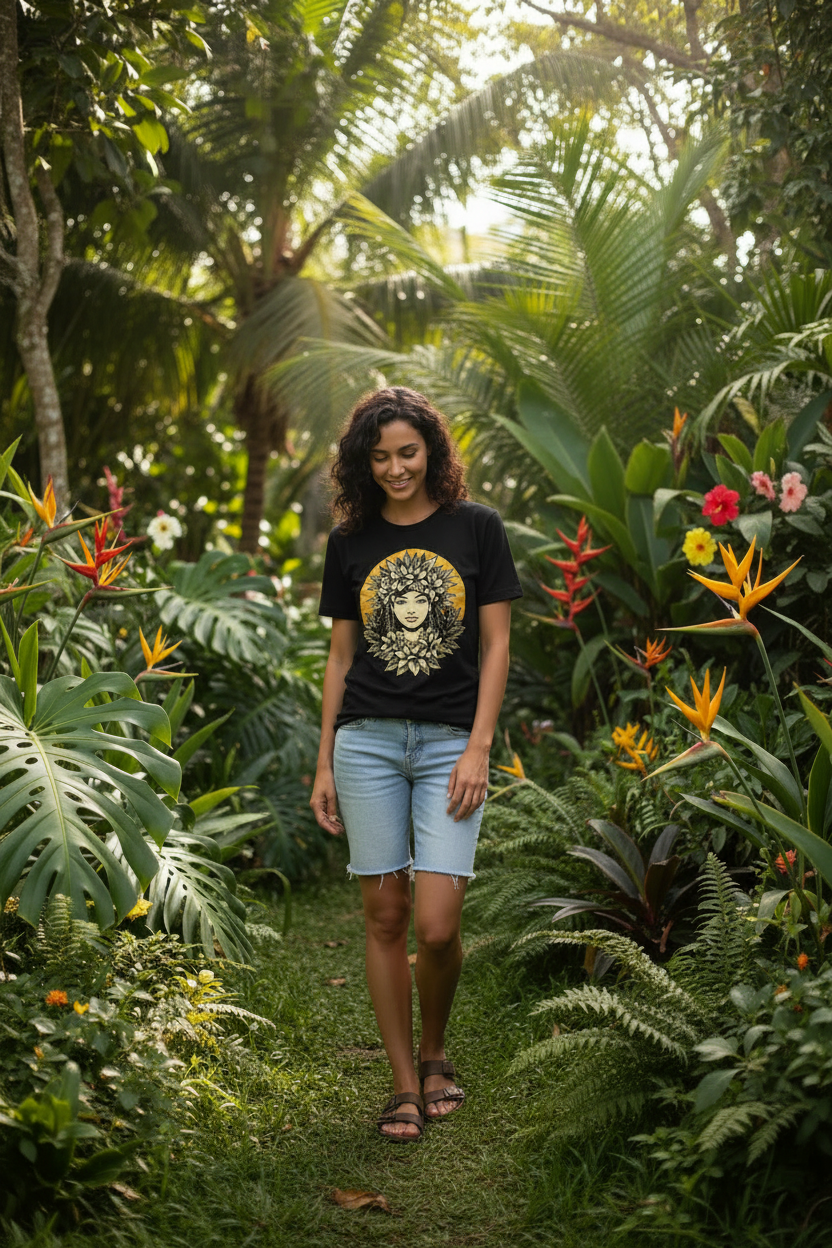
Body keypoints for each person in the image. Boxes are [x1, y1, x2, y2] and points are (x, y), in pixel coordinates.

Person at [310, 386, 522, 1141]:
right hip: (365, 739)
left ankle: (437, 1050)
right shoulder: (350, 542)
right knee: (386, 914)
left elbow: (496, 646)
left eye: (407, 451)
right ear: (361, 463)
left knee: (436, 924)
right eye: (380, 456)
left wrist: (478, 745)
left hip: (447, 746)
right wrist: (325, 761)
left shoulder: (477, 529)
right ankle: (404, 1083)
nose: (396, 467)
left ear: (431, 450)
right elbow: (340, 658)